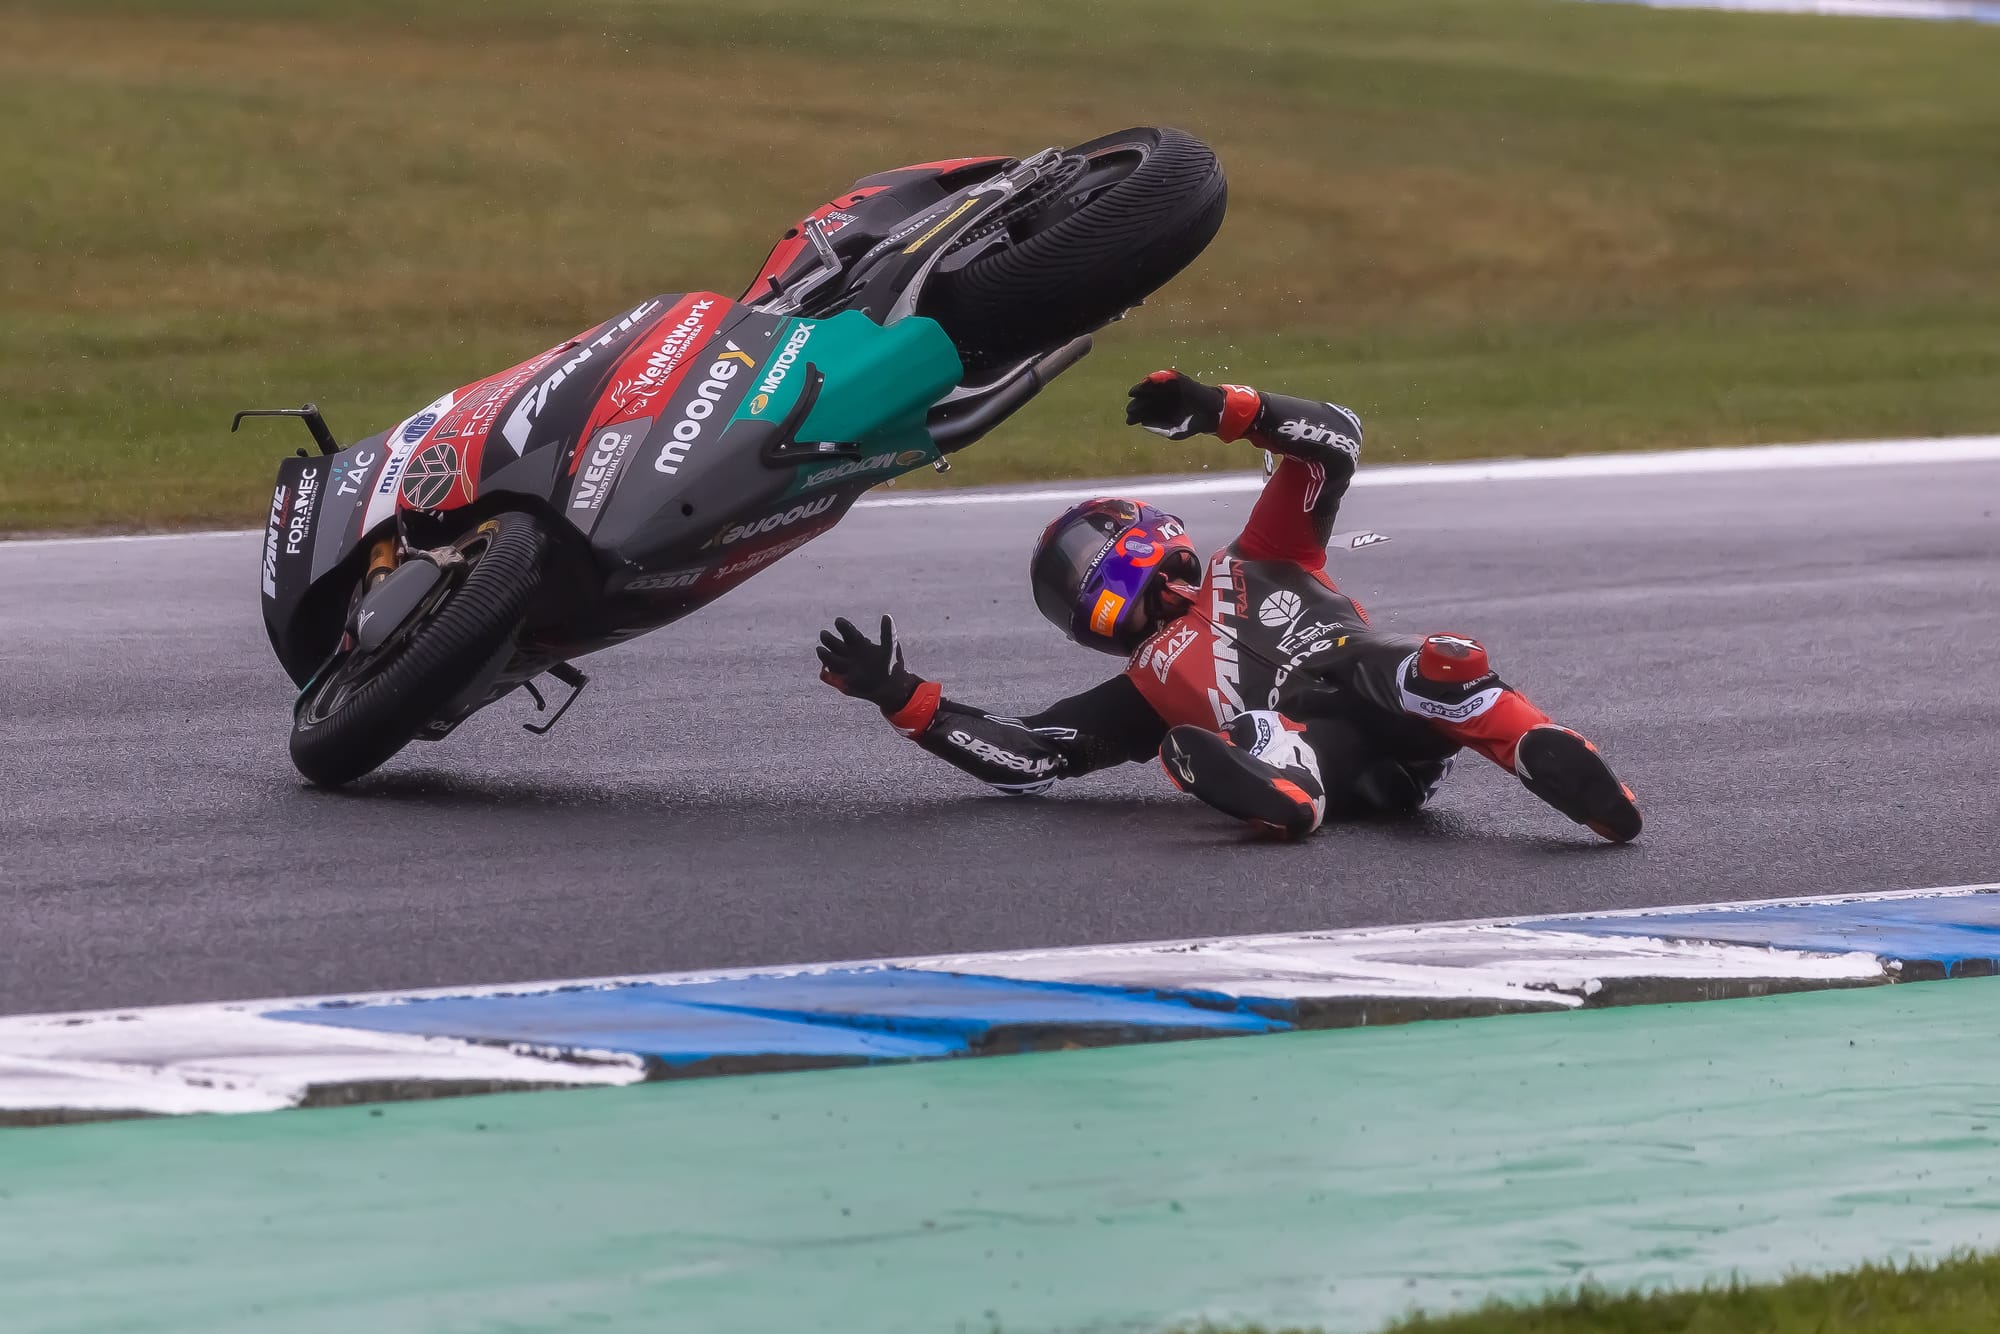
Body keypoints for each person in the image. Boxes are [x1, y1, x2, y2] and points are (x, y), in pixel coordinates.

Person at [815, 371, 1642, 842]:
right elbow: (1031, 757)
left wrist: (1227, 411)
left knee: (1437, 661)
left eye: (1156, 569)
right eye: (1113, 603)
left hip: (1395, 706)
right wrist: (906, 701)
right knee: (1245, 731)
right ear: (1093, 631)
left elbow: (1336, 443)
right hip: (1341, 762)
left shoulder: (1265, 551)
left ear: (1167, 537)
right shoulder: (1140, 690)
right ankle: (1287, 781)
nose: (1163, 596)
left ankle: (1536, 745)